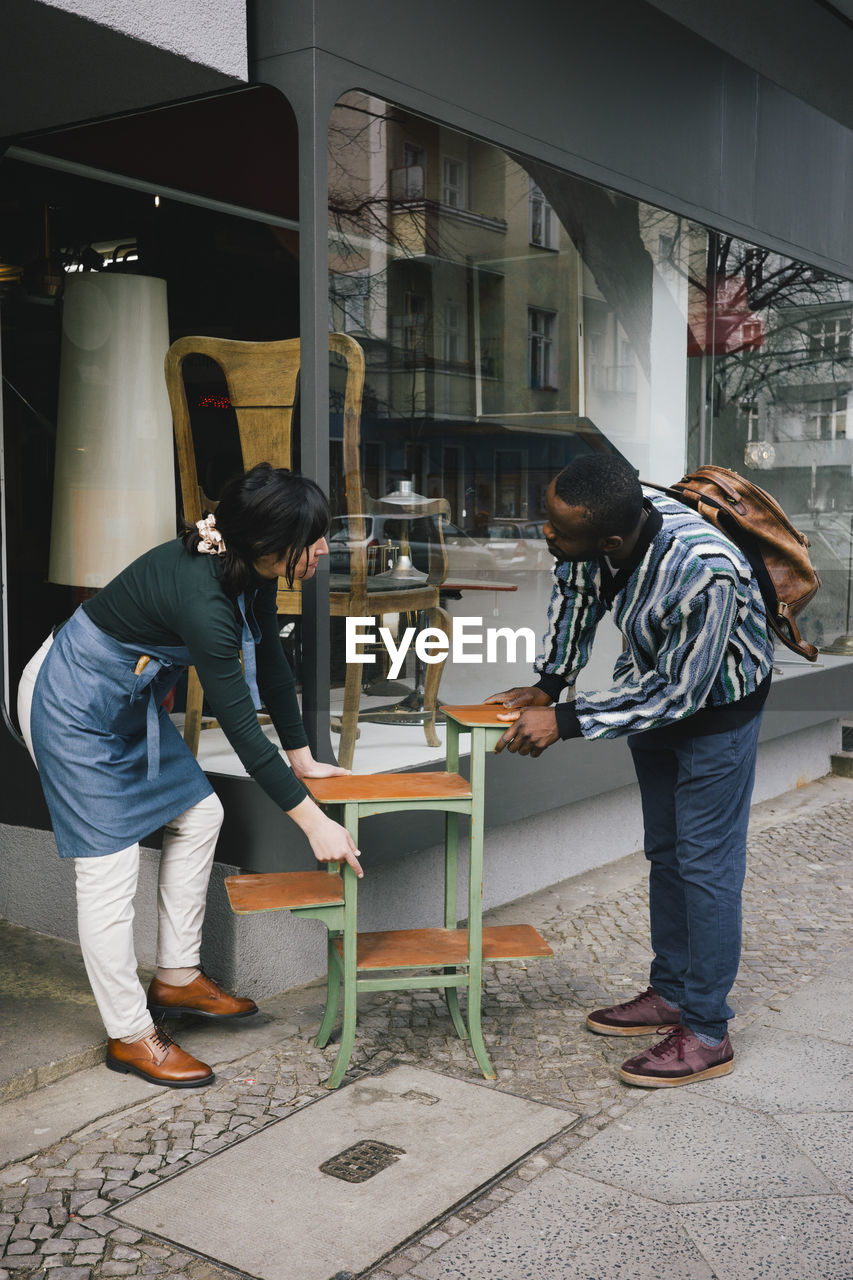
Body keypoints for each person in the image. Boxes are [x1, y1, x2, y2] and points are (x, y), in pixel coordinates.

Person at [17, 463, 362, 1089]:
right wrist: (315, 823)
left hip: (124, 701)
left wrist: (303, 756)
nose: (322, 549)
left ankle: (176, 977)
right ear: (268, 547)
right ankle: (130, 1034)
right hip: (68, 703)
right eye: (311, 539)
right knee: (109, 864)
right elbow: (239, 729)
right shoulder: (202, 599)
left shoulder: (245, 568)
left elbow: (273, 662)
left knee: (201, 812)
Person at [485, 452, 774, 1087]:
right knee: (667, 852)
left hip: (716, 711)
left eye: (559, 531)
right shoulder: (603, 535)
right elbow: (578, 587)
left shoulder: (706, 572)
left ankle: (705, 1030)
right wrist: (551, 682)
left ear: (613, 537)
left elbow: (681, 694)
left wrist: (566, 720)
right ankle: (670, 991)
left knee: (706, 866)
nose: (546, 536)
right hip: (652, 695)